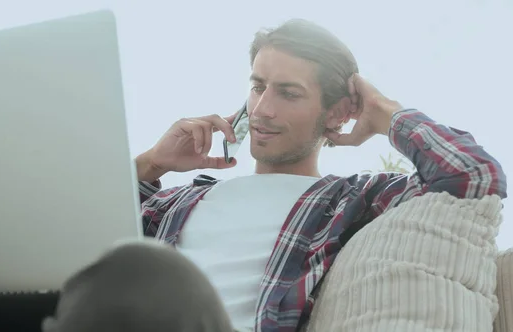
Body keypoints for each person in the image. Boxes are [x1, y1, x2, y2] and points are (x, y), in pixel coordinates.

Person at [42, 19, 507, 332]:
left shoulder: (354, 198)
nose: (261, 109)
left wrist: (385, 113)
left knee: (149, 272)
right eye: (257, 86)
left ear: (339, 113)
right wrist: (152, 165)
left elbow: (473, 176)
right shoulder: (177, 201)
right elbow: (65, 242)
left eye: (288, 93)